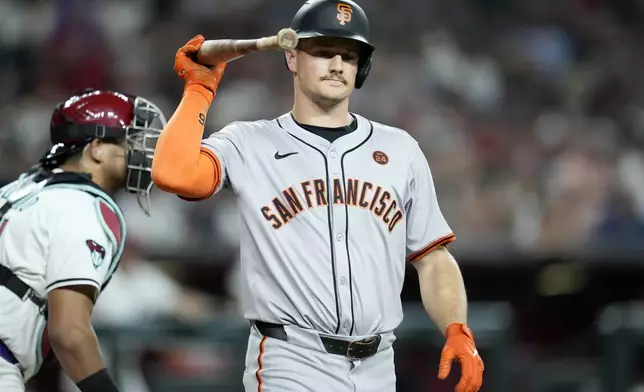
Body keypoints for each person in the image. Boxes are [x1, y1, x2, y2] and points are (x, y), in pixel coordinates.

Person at [151, 0, 485, 391]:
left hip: (378, 365)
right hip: (291, 360)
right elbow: (172, 174)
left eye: (349, 54)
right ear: (291, 58)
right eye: (323, 51)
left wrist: (457, 328)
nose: (337, 63)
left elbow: (433, 258)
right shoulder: (249, 142)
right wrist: (199, 90)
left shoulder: (400, 150)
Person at [0, 88, 166, 392]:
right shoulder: (80, 204)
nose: (142, 154)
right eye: (131, 142)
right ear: (98, 147)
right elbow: (69, 332)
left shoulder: (19, 189)